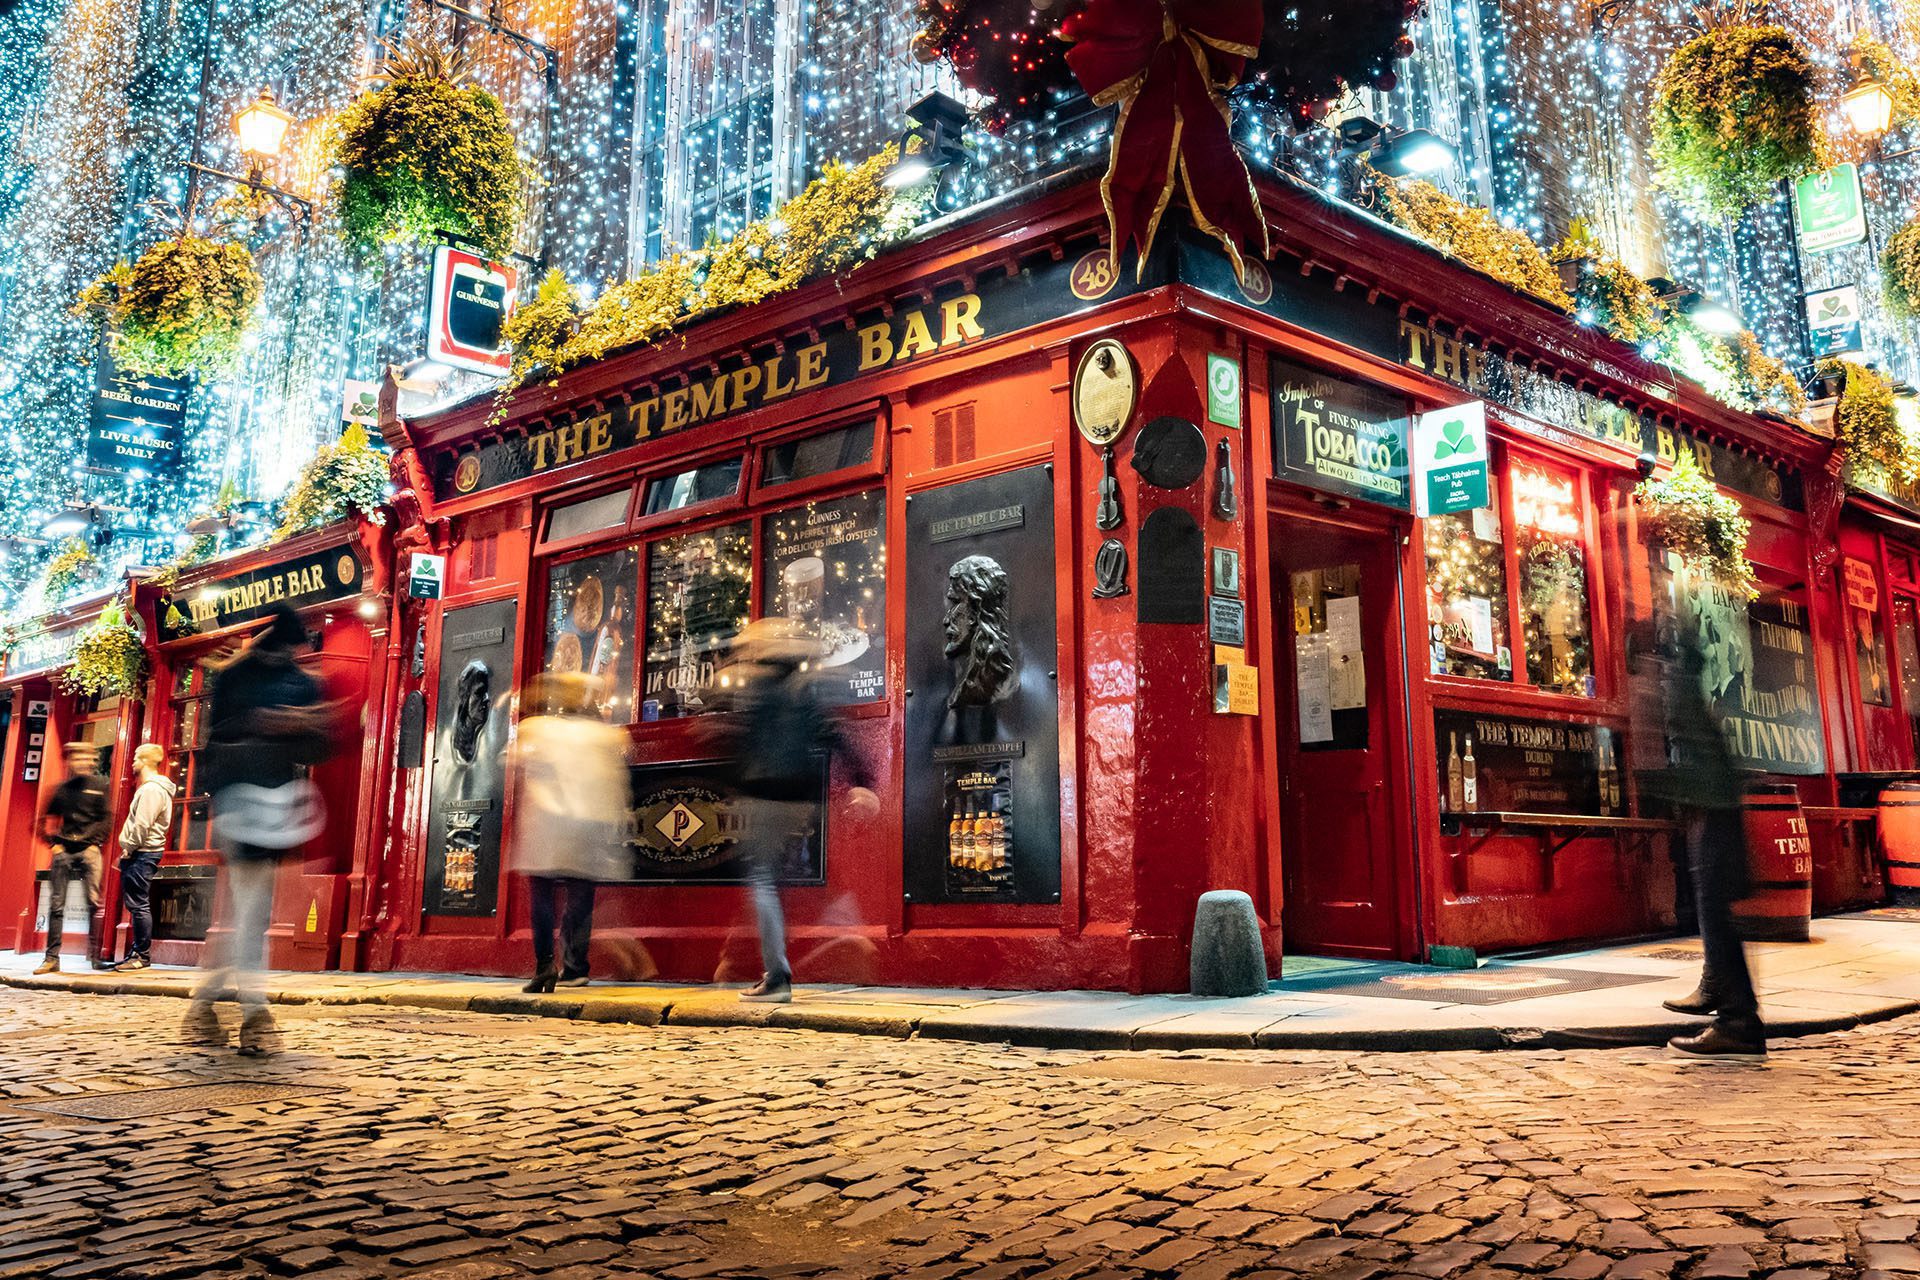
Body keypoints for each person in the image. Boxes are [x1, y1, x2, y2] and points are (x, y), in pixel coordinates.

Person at [182, 604, 334, 1056]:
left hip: (278, 800)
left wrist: (309, 725)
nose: (283, 653)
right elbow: (217, 738)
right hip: (238, 798)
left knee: (247, 911)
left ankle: (207, 1007)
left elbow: (321, 746)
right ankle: (254, 1013)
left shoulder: (302, 683)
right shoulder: (234, 676)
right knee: (252, 910)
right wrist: (267, 726)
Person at [718, 618, 878, 1004]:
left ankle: (777, 976)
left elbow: (742, 740)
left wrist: (731, 778)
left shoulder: (758, 688)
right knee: (778, 880)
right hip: (800, 795)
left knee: (762, 879)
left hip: (764, 792)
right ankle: (840, 931)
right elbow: (833, 732)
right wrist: (862, 780)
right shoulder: (802, 689)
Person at [1630, 609, 1764, 1059]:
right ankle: (1716, 989)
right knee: (1713, 903)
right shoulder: (1681, 682)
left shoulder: (1680, 686)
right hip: (1712, 804)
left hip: (1715, 806)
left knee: (1717, 907)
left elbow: (1697, 753)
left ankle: (1739, 1022)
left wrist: (1657, 787)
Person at [505, 672, 630, 992]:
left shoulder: (537, 729)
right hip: (588, 824)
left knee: (542, 895)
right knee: (580, 896)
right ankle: (575, 968)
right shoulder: (607, 736)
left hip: (547, 822)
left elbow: (509, 758)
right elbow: (617, 780)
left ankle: (545, 966)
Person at [34, 742, 111, 974]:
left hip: (89, 850)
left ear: (92, 760)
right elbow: (41, 821)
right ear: (71, 761)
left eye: (86, 757)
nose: (82, 762)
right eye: (77, 758)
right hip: (64, 850)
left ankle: (95, 957)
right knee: (57, 905)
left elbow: (106, 818)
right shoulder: (61, 789)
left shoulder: (101, 785)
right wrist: (54, 846)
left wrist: (95, 842)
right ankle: (51, 959)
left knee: (93, 903)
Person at [112, 743, 176, 971]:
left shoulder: (151, 790)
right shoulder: (153, 788)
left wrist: (128, 849)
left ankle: (141, 955)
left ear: (146, 761)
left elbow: (142, 825)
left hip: (142, 853)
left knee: (139, 905)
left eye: (136, 758)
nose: (132, 763)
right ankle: (138, 953)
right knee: (137, 904)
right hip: (142, 852)